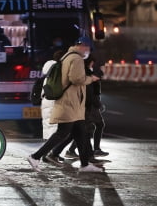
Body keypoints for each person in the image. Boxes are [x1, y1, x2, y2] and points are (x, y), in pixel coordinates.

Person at [27, 36, 103, 172]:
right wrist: (90, 78)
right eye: (88, 48)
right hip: (70, 102)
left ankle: (85, 164)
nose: (88, 51)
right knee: (62, 133)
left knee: (81, 132)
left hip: (72, 103)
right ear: (83, 46)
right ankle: (35, 156)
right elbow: (76, 79)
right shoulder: (77, 58)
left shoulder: (68, 56)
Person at [40, 50, 65, 141]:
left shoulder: (49, 69)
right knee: (54, 124)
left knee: (47, 123)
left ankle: (47, 147)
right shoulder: (58, 68)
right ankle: (50, 150)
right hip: (55, 98)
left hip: (46, 98)